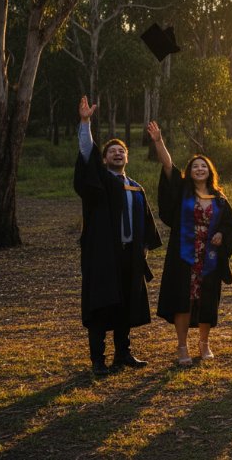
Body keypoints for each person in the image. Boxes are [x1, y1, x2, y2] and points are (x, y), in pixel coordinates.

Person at [74, 96, 161, 376]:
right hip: (102, 256)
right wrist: (86, 122)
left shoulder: (136, 188)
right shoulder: (100, 182)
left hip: (129, 256)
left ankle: (123, 353)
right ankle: (98, 360)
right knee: (101, 305)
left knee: (126, 304)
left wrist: (144, 249)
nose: (117, 154)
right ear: (104, 158)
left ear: (128, 157)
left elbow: (146, 224)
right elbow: (87, 154)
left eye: (121, 151)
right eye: (111, 151)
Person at [148, 121, 232, 366]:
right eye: (195, 166)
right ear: (190, 171)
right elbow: (168, 166)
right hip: (184, 255)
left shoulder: (219, 199)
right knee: (183, 299)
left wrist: (221, 237)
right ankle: (182, 346)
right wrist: (158, 141)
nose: (199, 169)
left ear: (210, 171)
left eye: (204, 166)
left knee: (206, 299)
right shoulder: (183, 192)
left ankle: (204, 343)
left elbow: (230, 226)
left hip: (209, 256)